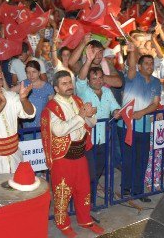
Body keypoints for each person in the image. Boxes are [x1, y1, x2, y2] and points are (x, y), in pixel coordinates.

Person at [41, 70, 104, 237]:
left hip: (80, 153)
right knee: (62, 193)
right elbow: (59, 130)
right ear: (55, 87)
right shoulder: (51, 107)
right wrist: (81, 116)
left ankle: (85, 220)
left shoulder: (77, 100)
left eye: (70, 82)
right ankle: (63, 224)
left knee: (83, 189)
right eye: (64, 83)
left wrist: (90, 114)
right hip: (63, 157)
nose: (69, 86)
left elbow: (91, 123)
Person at [75, 47, 121, 199]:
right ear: (89, 81)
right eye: (94, 78)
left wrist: (116, 112)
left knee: (98, 170)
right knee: (90, 173)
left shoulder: (107, 92)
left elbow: (115, 106)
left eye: (100, 77)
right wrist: (88, 61)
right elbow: (80, 79)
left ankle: (92, 199)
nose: (98, 80)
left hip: (104, 139)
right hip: (88, 140)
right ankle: (86, 200)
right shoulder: (83, 91)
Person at [118, 42, 161, 201]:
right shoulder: (132, 76)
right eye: (146, 64)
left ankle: (138, 190)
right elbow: (130, 66)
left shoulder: (156, 82)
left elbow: (155, 103)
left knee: (142, 160)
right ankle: (126, 190)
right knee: (128, 159)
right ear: (139, 66)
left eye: (151, 63)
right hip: (126, 126)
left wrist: (141, 112)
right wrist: (131, 51)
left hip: (145, 127)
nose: (149, 66)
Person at [21, 60, 54, 131]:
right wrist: (2, 78)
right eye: (28, 72)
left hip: (43, 126)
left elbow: (52, 109)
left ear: (39, 73)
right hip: (27, 127)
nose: (31, 75)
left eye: (34, 72)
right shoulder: (24, 85)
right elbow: (8, 92)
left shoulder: (48, 87)